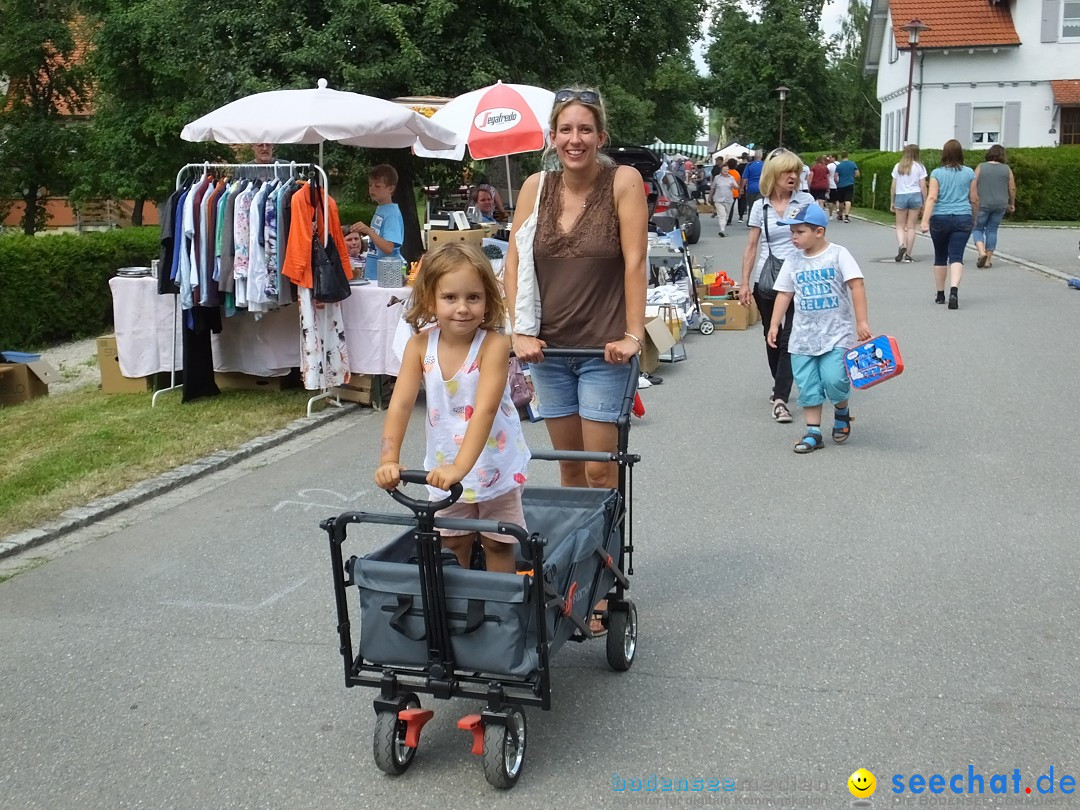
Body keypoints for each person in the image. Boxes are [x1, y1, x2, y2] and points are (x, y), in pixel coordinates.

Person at [504, 86, 647, 632]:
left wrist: (634, 333)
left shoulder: (623, 182)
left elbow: (635, 262)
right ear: (552, 136)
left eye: (585, 129)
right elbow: (516, 258)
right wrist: (519, 331)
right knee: (567, 472)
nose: (575, 139)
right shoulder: (537, 188)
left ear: (601, 136)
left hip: (602, 350)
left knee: (599, 470)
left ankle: (604, 581)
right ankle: (575, 577)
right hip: (548, 349)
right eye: (566, 129)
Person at [374, 242, 530, 574]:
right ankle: (459, 618)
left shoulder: (494, 345)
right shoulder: (419, 346)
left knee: (498, 543)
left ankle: (498, 618)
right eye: (450, 298)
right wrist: (389, 459)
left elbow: (485, 411)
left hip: (493, 466)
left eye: (473, 297)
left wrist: (461, 468)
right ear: (431, 299)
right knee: (453, 541)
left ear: (487, 300)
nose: (462, 308)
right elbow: (400, 405)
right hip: (444, 467)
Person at [766, 203, 872, 453]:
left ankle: (842, 410)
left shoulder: (838, 254)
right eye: (792, 232)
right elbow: (784, 293)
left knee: (835, 379)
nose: (793, 237)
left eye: (799, 232)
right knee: (808, 385)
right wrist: (774, 324)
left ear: (819, 232)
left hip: (837, 333)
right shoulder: (792, 260)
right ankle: (813, 432)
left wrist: (862, 322)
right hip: (802, 336)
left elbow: (857, 285)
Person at [739, 148, 815, 423]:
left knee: (789, 337)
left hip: (800, 278)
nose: (793, 175)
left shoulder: (806, 201)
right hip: (768, 279)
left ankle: (780, 396)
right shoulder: (761, 206)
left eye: (795, 170)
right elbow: (751, 245)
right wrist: (744, 283)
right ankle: (780, 381)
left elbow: (818, 237)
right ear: (774, 175)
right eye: (787, 171)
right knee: (771, 334)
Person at [920, 139, 978, 309]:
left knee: (940, 256)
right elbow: (974, 199)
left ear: (943, 154)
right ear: (961, 154)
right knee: (956, 256)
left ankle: (940, 294)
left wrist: (924, 220)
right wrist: (974, 217)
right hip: (962, 217)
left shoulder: (937, 173)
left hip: (940, 218)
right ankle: (954, 290)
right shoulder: (969, 173)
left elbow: (932, 197)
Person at [350, 164, 404, 282]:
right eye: (370, 185)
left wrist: (368, 231)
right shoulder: (382, 209)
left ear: (391, 188)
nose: (372, 189)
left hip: (387, 276)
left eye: (377, 186)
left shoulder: (391, 214)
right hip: (375, 274)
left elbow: (389, 248)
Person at [972, 144, 1016, 268]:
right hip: (1000, 204)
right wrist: (1012, 203)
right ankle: (988, 260)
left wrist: (973, 199)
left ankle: (981, 252)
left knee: (977, 228)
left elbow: (973, 183)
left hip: (983, 203)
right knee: (992, 230)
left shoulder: (981, 167)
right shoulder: (1006, 169)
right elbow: (1012, 187)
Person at [890, 144, 928, 263]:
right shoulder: (920, 167)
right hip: (915, 195)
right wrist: (925, 201)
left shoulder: (898, 166)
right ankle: (908, 255)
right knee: (911, 226)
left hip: (901, 196)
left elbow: (893, 186)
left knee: (900, 225)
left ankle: (902, 245)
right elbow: (923, 186)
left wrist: (892, 201)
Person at [709, 163, 737, 237]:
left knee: (726, 216)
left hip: (728, 200)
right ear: (721, 170)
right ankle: (722, 230)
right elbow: (713, 188)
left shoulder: (731, 178)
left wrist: (733, 185)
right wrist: (710, 196)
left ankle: (723, 229)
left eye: (727, 169)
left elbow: (737, 186)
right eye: (724, 169)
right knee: (722, 215)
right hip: (718, 199)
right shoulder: (717, 178)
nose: (725, 171)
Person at [833, 152, 860, 222]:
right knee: (848, 200)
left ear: (841, 157)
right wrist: (852, 176)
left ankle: (840, 215)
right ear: (847, 156)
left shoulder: (839, 166)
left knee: (841, 201)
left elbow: (835, 176)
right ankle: (847, 216)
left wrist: (837, 183)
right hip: (850, 184)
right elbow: (857, 173)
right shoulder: (852, 164)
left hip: (841, 185)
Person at [741, 151, 764, 225]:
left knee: (751, 205)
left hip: (751, 188)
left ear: (754, 156)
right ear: (761, 156)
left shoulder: (749, 165)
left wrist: (741, 188)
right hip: (762, 188)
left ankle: (751, 221)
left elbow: (745, 178)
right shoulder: (765, 165)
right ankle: (759, 221)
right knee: (760, 205)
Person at [726, 159, 742, 226]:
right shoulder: (737, 173)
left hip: (726, 192)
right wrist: (739, 192)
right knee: (731, 207)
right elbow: (738, 183)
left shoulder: (725, 172)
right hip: (734, 193)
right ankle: (729, 220)